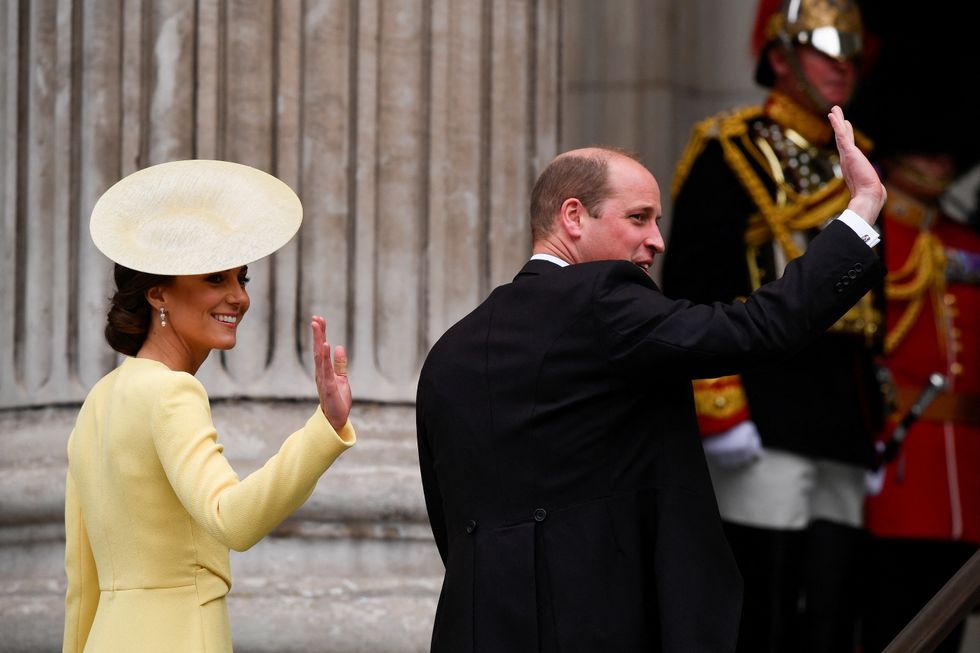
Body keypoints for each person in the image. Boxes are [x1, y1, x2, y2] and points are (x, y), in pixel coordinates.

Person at [415, 105, 884, 653]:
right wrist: (860, 212)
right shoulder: (602, 300)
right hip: (598, 624)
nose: (657, 241)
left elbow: (449, 517)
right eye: (639, 218)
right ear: (573, 216)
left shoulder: (450, 349)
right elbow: (758, 327)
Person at [62, 160, 356, 652]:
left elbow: (81, 583)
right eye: (215, 279)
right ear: (159, 293)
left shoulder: (99, 400)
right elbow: (232, 519)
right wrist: (324, 429)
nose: (238, 297)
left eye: (241, 278)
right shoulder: (171, 392)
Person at [660, 1, 883, 650]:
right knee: (765, 601)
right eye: (822, 48)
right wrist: (720, 406)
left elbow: (875, 311)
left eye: (850, 50)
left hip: (842, 414)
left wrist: (875, 412)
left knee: (834, 606)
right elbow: (695, 290)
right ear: (780, 58)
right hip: (764, 401)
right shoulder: (727, 148)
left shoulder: (861, 159)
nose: (841, 64)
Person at [859, 149, 980, 653]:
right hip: (900, 461)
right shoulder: (877, 236)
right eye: (924, 151)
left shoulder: (963, 241)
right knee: (892, 617)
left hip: (966, 471)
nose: (937, 162)